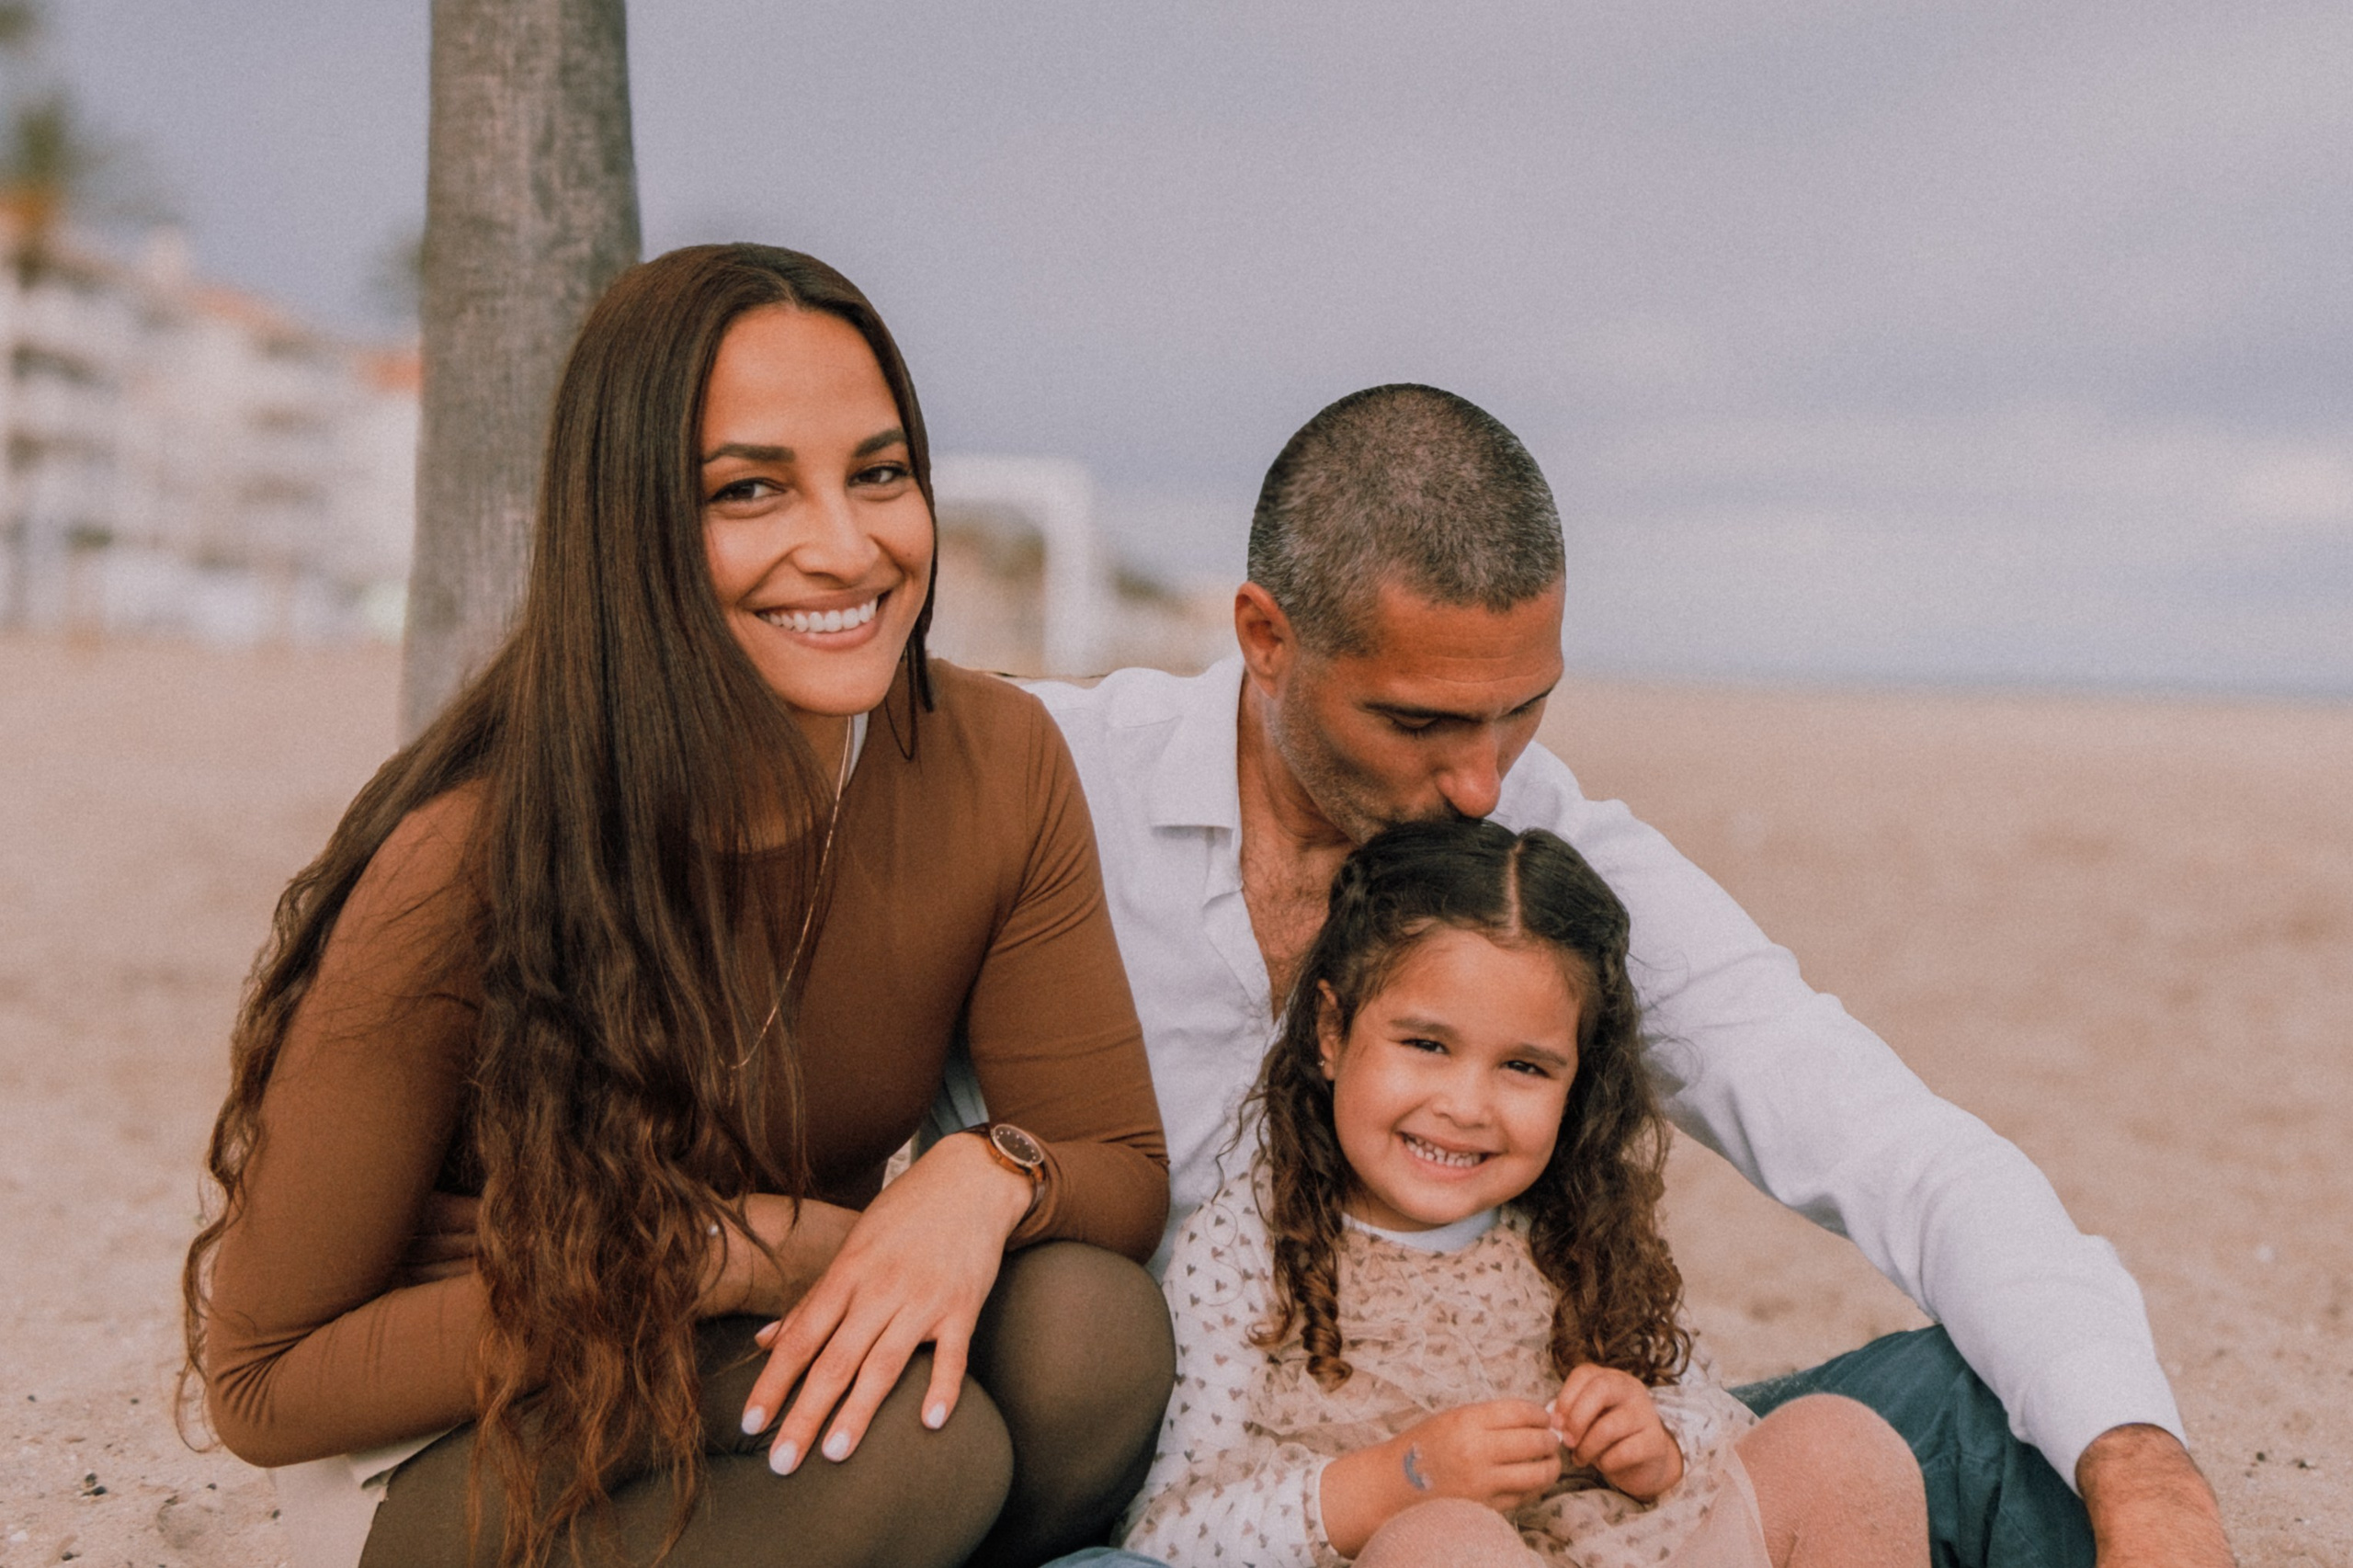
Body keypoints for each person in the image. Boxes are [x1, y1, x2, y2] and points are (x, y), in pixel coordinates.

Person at [997, 384, 2232, 1567]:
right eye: (1420, 723)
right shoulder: (1053, 785)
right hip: (1203, 1503)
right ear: (1267, 637)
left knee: (1998, 1423)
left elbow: (1882, 1135)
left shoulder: (1546, 864)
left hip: (1555, 1508)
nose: (1484, 784)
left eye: (1522, 709)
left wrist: (2145, 1473)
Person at [181, 244, 1175, 1568]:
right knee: (915, 1458)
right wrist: (727, 1253)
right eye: (749, 491)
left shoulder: (993, 762)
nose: (845, 545)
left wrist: (983, 1173)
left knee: (1088, 1339)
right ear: (631, 524)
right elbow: (263, 1382)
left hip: (749, 1369)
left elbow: (1118, 1166)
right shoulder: (466, 857)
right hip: (466, 1434)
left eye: (880, 474)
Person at [1120, 819, 1927, 1568]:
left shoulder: (1573, 1229)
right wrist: (1399, 1481)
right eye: (1427, 1045)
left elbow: (1712, 1407)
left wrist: (1658, 1439)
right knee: (1448, 1540)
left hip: (1620, 1550)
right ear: (1332, 1032)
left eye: (1525, 1067)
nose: (1467, 1106)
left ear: (1577, 1083)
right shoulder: (1249, 1244)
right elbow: (1166, 1534)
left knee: (1838, 1444)